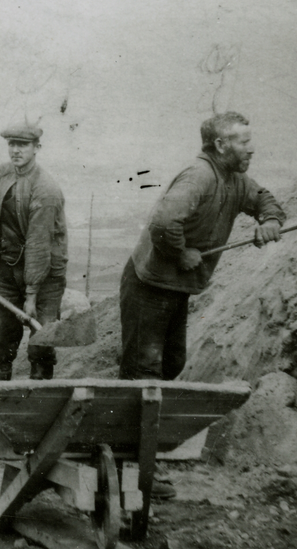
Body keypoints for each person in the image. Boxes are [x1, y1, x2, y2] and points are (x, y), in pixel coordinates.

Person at [119, 111, 285, 382]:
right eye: (243, 143)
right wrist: (180, 253)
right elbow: (162, 224)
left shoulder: (235, 180)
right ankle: (128, 424)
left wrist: (270, 220)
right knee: (144, 368)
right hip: (148, 286)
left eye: (249, 141)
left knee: (172, 363)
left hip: (175, 286)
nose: (251, 149)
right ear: (220, 145)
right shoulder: (199, 176)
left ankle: (149, 420)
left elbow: (263, 198)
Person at [0, 121, 67, 381]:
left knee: (41, 342)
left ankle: (40, 406)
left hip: (44, 276)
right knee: (1, 339)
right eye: (12, 144)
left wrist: (31, 295)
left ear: (36, 148)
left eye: (23, 145)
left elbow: (39, 243)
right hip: (9, 268)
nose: (16, 150)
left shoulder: (46, 189)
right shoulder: (1, 175)